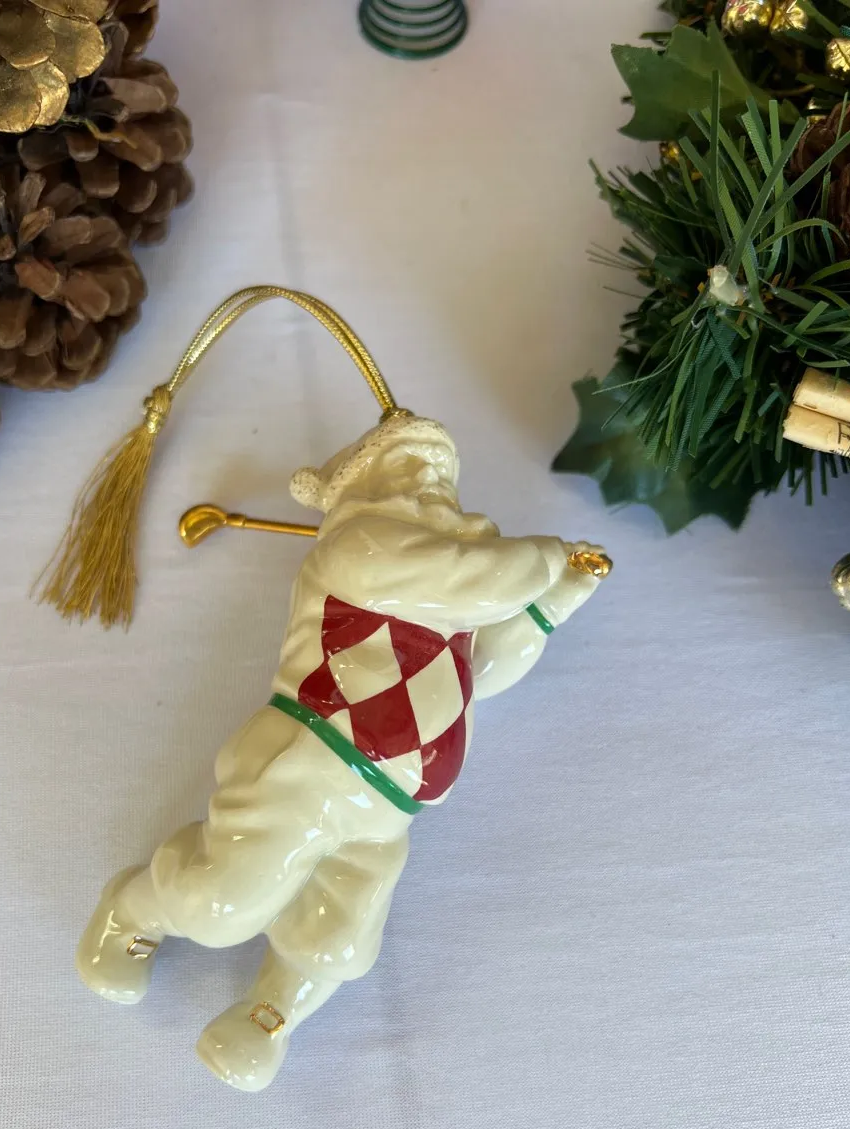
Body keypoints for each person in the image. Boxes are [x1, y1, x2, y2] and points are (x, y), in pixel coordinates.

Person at [76, 411, 608, 1090]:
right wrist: (543, 559)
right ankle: (131, 911)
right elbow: (474, 580)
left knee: (338, 939)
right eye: (414, 467)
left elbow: (483, 670)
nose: (436, 485)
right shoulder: (365, 546)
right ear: (364, 481)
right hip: (307, 760)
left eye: (443, 473)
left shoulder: (452, 590)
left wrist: (550, 606)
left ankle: (268, 1017)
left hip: (391, 805)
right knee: (224, 902)